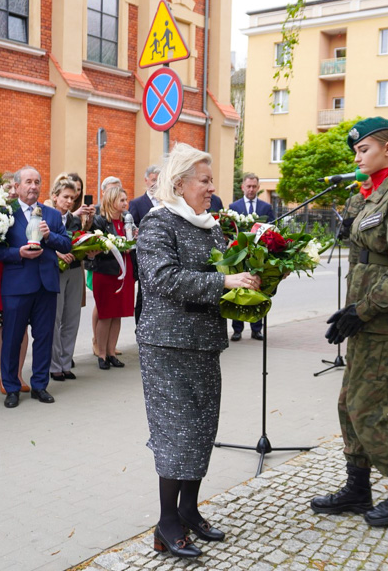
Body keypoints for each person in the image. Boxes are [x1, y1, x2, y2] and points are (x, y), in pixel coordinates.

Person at [136, 143, 260, 559]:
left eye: (211, 181)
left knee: (203, 428)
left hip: (204, 341)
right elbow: (162, 279)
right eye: (204, 181)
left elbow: (225, 271)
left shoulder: (210, 224)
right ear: (178, 184)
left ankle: (188, 510)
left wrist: (254, 279)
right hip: (167, 343)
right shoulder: (158, 224)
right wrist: (224, 284)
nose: (211, 188)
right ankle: (165, 524)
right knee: (178, 433)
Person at [311, 117, 388, 527]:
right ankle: (358, 488)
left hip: (386, 317)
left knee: (367, 407)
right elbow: (363, 249)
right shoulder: (370, 194)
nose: (358, 157)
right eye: (356, 152)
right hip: (365, 313)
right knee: (348, 403)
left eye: (364, 149)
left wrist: (362, 311)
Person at [0, 166, 72, 408]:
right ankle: (11, 387)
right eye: (28, 182)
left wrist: (49, 237)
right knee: (12, 338)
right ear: (17, 186)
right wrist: (18, 253)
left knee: (44, 337)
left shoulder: (51, 215)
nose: (33, 186)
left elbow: (66, 245)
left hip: (46, 286)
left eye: (37, 182)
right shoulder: (4, 213)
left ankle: (40, 386)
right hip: (16, 285)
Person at [0, 173, 30, 394]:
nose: (11, 191)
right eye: (7, 187)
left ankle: (18, 375)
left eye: (14, 187)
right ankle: (4, 376)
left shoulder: (25, 213)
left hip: (22, 276)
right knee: (1, 326)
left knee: (22, 329)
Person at [89, 185, 134, 370]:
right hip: (106, 272)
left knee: (117, 315)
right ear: (111, 201)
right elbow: (96, 248)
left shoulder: (127, 221)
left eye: (126, 200)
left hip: (124, 271)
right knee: (105, 315)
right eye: (122, 200)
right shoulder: (100, 221)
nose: (126, 203)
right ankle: (101, 354)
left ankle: (112, 351)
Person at [49, 174, 87, 381]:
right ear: (55, 197)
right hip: (55, 271)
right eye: (65, 197)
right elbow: (40, 241)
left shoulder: (74, 220)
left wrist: (90, 250)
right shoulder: (46, 215)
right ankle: (54, 365)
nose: (70, 201)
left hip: (74, 270)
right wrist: (57, 254)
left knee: (72, 318)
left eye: (72, 198)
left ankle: (66, 362)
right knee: (55, 318)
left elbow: (79, 242)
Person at [228, 173, 274, 341]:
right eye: (248, 186)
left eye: (254, 186)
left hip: (259, 256)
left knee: (257, 290)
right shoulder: (234, 206)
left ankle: (256, 329)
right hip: (240, 256)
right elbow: (230, 230)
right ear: (243, 187)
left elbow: (273, 228)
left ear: (258, 187)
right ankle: (237, 329)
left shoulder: (265, 208)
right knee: (238, 291)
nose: (251, 189)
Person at [129, 165, 160, 324]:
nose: (156, 184)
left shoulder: (166, 202)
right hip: (144, 256)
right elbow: (132, 227)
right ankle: (139, 328)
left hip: (163, 255)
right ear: (146, 181)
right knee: (142, 293)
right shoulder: (137, 203)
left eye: (159, 180)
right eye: (153, 180)